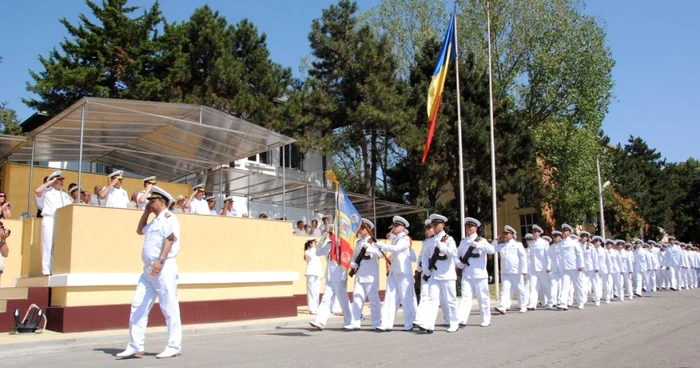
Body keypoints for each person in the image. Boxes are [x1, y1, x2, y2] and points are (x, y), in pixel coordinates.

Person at [116, 186, 182, 359]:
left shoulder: (169, 217)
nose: (150, 204)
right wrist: (145, 213)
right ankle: (135, 345)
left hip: (163, 267)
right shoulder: (154, 220)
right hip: (148, 271)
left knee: (169, 306)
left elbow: (170, 239)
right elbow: (139, 230)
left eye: (152, 201)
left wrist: (160, 261)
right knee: (138, 305)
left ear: (161, 201)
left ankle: (174, 346)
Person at [416, 213, 459, 333]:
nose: (434, 226)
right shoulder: (430, 241)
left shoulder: (449, 239)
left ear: (443, 225)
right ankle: (429, 324)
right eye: (433, 224)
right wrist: (425, 268)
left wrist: (442, 246)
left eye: (436, 224)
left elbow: (453, 253)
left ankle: (454, 322)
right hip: (434, 274)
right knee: (432, 299)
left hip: (447, 274)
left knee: (450, 300)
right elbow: (424, 256)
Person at [377, 216, 416, 332]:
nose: (394, 227)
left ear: (403, 227)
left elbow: (396, 249)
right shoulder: (395, 238)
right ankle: (386, 323)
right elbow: (390, 238)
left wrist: (380, 245)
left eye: (397, 225)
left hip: (403, 272)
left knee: (406, 298)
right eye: (394, 225)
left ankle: (409, 323)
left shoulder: (405, 239)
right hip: (394, 271)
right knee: (390, 297)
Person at [310, 228, 352, 330]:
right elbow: (318, 252)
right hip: (329, 277)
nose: (329, 235)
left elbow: (346, 259)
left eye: (331, 233)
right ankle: (320, 322)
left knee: (343, 301)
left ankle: (350, 321)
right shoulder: (329, 245)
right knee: (325, 300)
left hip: (339, 277)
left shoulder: (342, 245)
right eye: (329, 233)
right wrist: (323, 238)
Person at [456, 217, 494, 328]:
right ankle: (461, 319)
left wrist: (479, 245)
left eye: (470, 226)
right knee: (466, 297)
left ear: (476, 228)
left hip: (479, 274)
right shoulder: (463, 242)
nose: (468, 228)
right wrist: (458, 264)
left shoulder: (481, 240)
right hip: (467, 274)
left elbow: (491, 250)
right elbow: (457, 255)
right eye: (467, 226)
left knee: (483, 298)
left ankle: (486, 319)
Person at [345, 219, 382, 331]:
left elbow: (381, 254)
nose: (360, 231)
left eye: (362, 228)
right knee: (357, 299)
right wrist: (353, 264)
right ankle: (355, 322)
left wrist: (371, 249)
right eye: (359, 228)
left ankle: (376, 323)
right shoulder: (358, 243)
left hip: (371, 276)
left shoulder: (374, 242)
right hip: (360, 275)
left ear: (368, 229)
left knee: (374, 300)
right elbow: (354, 257)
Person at [34, 170, 72, 276]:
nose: (61, 182)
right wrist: (50, 182)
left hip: (60, 220)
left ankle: (54, 268)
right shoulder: (47, 192)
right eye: (58, 180)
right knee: (47, 244)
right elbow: (37, 191)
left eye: (61, 180)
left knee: (57, 245)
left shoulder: (64, 195)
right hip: (49, 219)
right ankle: (46, 269)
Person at [494, 225, 528, 314]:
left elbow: (523, 258)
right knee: (505, 289)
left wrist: (524, 271)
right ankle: (503, 306)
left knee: (520, 288)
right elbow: (492, 249)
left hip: (516, 270)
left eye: (507, 233)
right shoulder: (502, 245)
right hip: (505, 271)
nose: (505, 235)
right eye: (504, 233)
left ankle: (523, 305)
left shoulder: (517, 244)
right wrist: (495, 240)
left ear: (512, 234)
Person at [556, 224, 584, 310]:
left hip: (574, 266)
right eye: (562, 231)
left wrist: (581, 265)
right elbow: (559, 256)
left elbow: (579, 254)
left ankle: (580, 302)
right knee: (565, 285)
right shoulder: (560, 243)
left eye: (565, 231)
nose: (563, 233)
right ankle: (563, 303)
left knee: (578, 285)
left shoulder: (574, 242)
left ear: (569, 232)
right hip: (564, 268)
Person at [527, 225, 549, 310]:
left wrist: (548, 266)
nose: (534, 234)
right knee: (533, 286)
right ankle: (532, 304)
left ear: (539, 233)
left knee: (546, 285)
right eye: (533, 232)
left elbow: (548, 256)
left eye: (535, 232)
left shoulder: (544, 243)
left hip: (542, 268)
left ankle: (551, 301)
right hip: (533, 268)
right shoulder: (532, 244)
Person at [304, 237, 322, 315]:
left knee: (316, 291)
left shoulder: (316, 250)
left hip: (317, 272)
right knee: (311, 291)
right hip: (310, 272)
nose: (316, 244)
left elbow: (319, 262)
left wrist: (321, 274)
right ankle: (311, 308)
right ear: (311, 243)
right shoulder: (307, 251)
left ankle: (316, 307)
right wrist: (312, 247)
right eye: (314, 243)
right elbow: (311, 256)